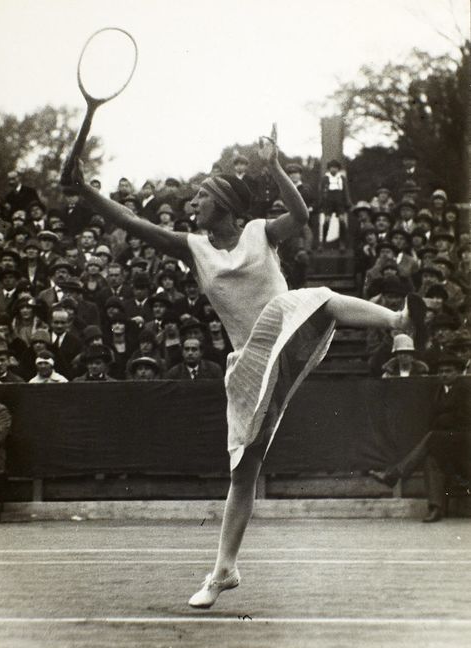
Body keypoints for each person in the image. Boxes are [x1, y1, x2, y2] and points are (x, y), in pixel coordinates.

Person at [65, 125, 427, 608]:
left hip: (290, 331)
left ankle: (398, 320)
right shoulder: (193, 248)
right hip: (252, 367)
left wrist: (275, 168)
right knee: (243, 472)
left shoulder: (261, 232)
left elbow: (300, 214)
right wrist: (87, 191)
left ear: (228, 207)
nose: (194, 204)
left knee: (317, 299)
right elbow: (134, 224)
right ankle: (223, 570)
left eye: (203, 197)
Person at [370, 353, 470, 522]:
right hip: (447, 441)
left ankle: (394, 474)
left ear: (458, 373)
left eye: (449, 371)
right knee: (431, 459)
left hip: (465, 439)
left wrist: (443, 420)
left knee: (432, 437)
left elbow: (465, 417)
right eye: (441, 371)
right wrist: (443, 420)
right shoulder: (439, 391)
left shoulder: (466, 389)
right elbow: (436, 419)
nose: (444, 374)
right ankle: (435, 508)